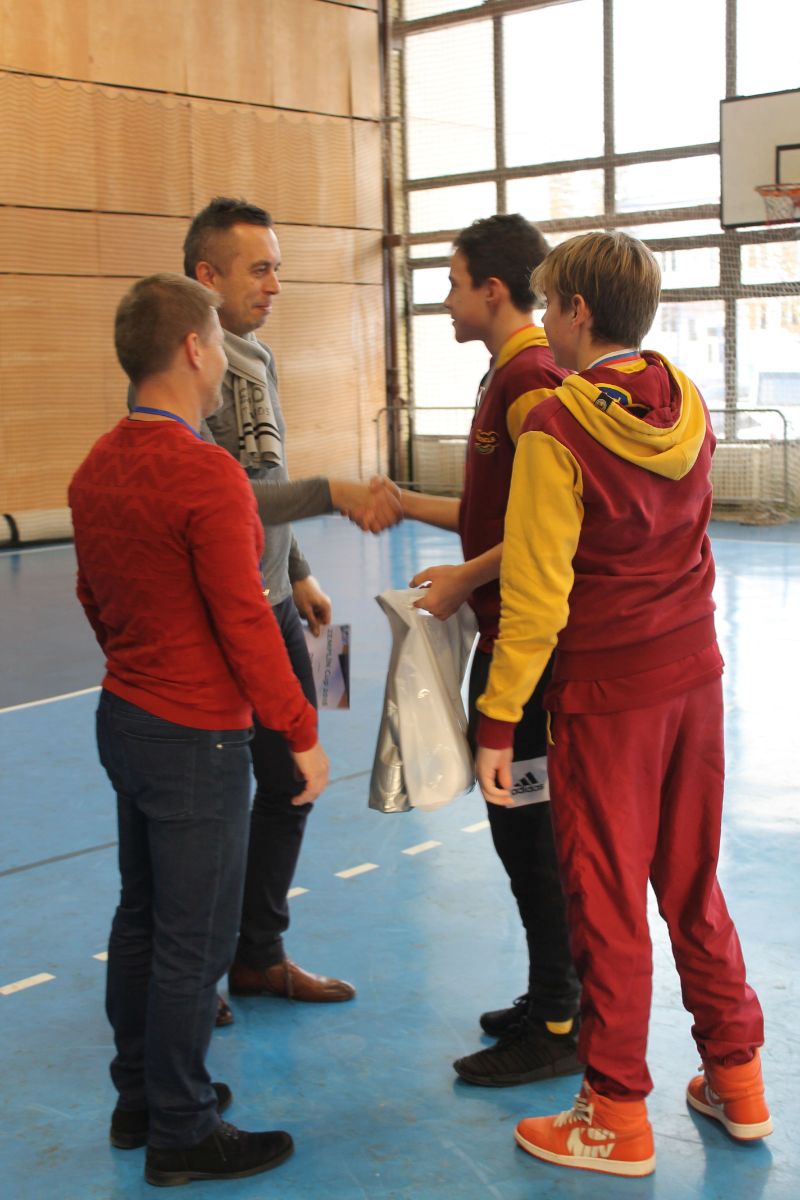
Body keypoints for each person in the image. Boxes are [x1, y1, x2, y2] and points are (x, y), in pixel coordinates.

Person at [474, 231, 771, 1177]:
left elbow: (536, 596)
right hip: (695, 678)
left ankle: (613, 1115)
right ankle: (738, 1077)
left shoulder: (555, 428)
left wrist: (497, 718)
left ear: (577, 312)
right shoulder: (686, 401)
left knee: (604, 898)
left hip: (607, 696)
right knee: (692, 882)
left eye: (549, 302)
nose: (543, 318)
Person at [69, 274, 330, 1185]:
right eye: (218, 342)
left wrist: (141, 664)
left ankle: (140, 1098)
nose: (224, 360)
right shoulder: (207, 473)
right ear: (191, 348)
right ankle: (182, 1129)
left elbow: (94, 598)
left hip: (126, 718)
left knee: (142, 916)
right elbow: (246, 620)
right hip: (194, 737)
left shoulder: (96, 466)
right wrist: (299, 730)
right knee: (196, 939)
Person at [181, 197, 401, 1023]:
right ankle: (191, 974)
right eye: (260, 269)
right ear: (207, 276)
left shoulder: (259, 355)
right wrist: (334, 494)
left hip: (276, 603)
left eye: (277, 267)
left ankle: (258, 955)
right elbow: (228, 497)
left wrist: (299, 569)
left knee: (292, 782)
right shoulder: (193, 369)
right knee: (210, 802)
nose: (275, 284)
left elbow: (264, 479)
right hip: (222, 619)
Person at [389, 214, 581, 1086]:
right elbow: (493, 515)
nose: (446, 299)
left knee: (528, 831)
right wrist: (404, 504)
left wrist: (467, 576)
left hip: (528, 659)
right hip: (504, 643)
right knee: (516, 830)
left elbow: (552, 519)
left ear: (493, 291)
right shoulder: (504, 375)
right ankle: (552, 994)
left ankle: (560, 1019)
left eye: (454, 282)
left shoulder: (533, 381)